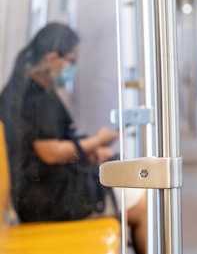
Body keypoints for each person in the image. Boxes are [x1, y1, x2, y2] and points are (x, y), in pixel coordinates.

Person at [0, 23, 147, 254]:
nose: (73, 68)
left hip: (48, 188)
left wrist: (88, 151)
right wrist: (97, 141)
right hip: (46, 199)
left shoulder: (33, 88)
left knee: (131, 182)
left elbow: (56, 142)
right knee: (142, 205)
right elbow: (51, 152)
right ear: (51, 58)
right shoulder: (33, 96)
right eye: (72, 61)